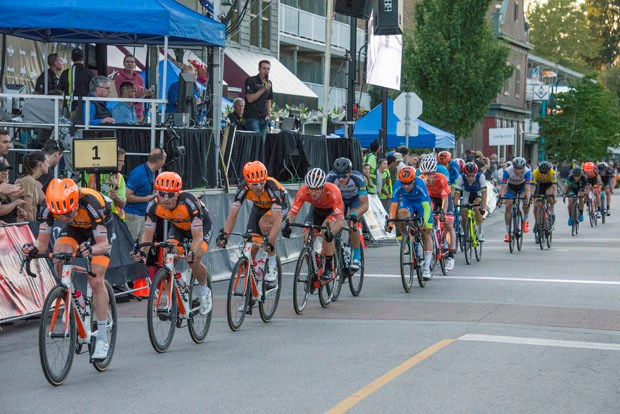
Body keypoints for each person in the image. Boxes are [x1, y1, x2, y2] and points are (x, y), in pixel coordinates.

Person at [22, 178, 113, 360]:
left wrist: (91, 249)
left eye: (68, 213)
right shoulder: (49, 208)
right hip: (75, 230)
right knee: (59, 256)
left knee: (95, 280)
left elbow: (103, 245)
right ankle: (75, 298)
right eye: (60, 215)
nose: (64, 218)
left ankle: (102, 337)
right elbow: (42, 243)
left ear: (75, 201)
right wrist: (33, 248)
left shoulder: (91, 203)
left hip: (98, 233)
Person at [134, 172, 213, 315]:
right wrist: (142, 252)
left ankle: (204, 291)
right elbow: (148, 233)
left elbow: (197, 236)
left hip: (200, 228)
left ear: (177, 194)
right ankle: (177, 282)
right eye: (162, 193)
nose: (165, 198)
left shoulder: (188, 201)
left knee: (193, 259)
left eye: (170, 195)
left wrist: (192, 252)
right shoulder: (153, 204)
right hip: (178, 227)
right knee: (169, 255)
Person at [217, 161, 288, 285]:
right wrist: (225, 236)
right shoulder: (242, 188)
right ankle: (253, 283)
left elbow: (277, 219)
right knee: (249, 244)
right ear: (248, 183)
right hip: (259, 207)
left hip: (278, 207)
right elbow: (233, 215)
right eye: (254, 185)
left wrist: (270, 242)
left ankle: (271, 263)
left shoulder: (272, 186)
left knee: (265, 224)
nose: (259, 187)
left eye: (261, 183)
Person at [282, 168, 345, 281]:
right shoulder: (303, 191)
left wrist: (331, 234)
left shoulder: (333, 191)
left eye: (316, 189)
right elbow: (292, 213)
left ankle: (329, 268)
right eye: (311, 189)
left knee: (327, 232)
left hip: (331, 211)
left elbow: (340, 220)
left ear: (323, 187)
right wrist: (287, 226)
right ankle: (312, 270)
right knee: (307, 236)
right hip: (316, 210)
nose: (313, 192)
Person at [385, 166, 434, 280]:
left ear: (413, 180)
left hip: (421, 204)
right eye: (403, 183)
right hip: (408, 203)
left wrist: (425, 222)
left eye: (408, 183)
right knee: (401, 216)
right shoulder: (397, 184)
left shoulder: (420, 183)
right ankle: (408, 239)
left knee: (426, 232)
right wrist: (391, 224)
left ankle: (427, 268)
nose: (405, 186)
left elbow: (426, 206)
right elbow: (393, 205)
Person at [326, 157, 369, 271]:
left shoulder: (358, 178)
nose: (340, 179)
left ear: (350, 173)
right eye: (338, 176)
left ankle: (356, 256)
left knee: (352, 222)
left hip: (355, 199)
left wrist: (356, 214)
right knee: (334, 223)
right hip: (340, 200)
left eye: (344, 176)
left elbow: (365, 205)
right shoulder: (330, 178)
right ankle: (337, 251)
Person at [419, 155, 456, 271]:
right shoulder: (420, 180)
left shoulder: (441, 178)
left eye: (430, 174)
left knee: (448, 224)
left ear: (435, 173)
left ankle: (451, 255)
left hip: (444, 198)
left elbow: (445, 199)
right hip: (431, 198)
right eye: (424, 174)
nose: (427, 177)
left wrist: (443, 214)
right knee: (428, 211)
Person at [124, 147, 166, 241]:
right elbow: (127, 196)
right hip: (133, 215)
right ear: (159, 161)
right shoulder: (139, 173)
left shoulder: (150, 172)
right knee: (130, 245)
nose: (164, 163)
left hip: (142, 214)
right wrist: (147, 199)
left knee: (143, 245)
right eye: (164, 160)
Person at [84, 147, 127, 220]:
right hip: (91, 216)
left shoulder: (119, 177)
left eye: (123, 161)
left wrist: (115, 197)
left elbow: (122, 204)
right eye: (120, 161)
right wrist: (90, 190)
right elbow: (78, 194)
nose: (123, 163)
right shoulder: (89, 173)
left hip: (112, 218)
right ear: (111, 160)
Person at [499, 156, 532, 242]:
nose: (518, 171)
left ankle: (525, 220)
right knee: (508, 204)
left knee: (525, 201)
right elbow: (503, 186)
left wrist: (527, 199)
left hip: (522, 186)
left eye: (520, 169)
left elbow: (528, 188)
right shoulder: (507, 171)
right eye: (516, 168)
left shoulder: (527, 171)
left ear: (523, 168)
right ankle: (508, 233)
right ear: (513, 167)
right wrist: (501, 197)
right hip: (511, 187)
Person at [114, 54, 153, 123]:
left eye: (132, 62)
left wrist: (148, 94)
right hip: (125, 110)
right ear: (124, 64)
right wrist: (139, 95)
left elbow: (142, 94)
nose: (130, 63)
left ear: (135, 64)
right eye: (127, 61)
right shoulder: (119, 77)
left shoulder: (140, 78)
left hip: (139, 112)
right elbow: (122, 95)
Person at [454, 162, 487, 242]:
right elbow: (457, 194)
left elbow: (484, 194)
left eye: (472, 176)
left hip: (477, 194)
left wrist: (484, 207)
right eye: (468, 176)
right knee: (463, 212)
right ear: (464, 174)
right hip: (466, 194)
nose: (470, 178)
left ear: (476, 174)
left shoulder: (481, 177)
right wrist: (455, 206)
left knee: (476, 208)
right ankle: (465, 232)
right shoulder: (460, 177)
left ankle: (480, 232)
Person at [15, 151, 49, 222]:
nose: (48, 165)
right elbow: (28, 209)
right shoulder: (28, 180)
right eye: (47, 162)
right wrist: (33, 227)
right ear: (41, 164)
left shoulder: (31, 181)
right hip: (23, 225)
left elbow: (43, 201)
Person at [244, 60, 273, 141]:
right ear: (259, 69)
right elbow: (249, 99)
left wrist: (268, 114)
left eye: (268, 69)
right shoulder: (251, 80)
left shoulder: (269, 82)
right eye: (264, 68)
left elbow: (269, 99)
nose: (266, 71)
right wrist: (263, 89)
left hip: (263, 118)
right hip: (252, 117)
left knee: (261, 145)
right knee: (256, 143)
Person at [58, 47, 94, 112]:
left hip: (69, 107)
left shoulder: (65, 73)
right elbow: (94, 90)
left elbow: (59, 90)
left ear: (71, 58)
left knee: (69, 122)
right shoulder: (89, 73)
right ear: (83, 57)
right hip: (85, 106)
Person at [532, 161, 557, 243]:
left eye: (545, 173)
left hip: (549, 185)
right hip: (540, 186)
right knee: (537, 206)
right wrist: (532, 197)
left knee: (549, 194)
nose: (543, 174)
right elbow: (532, 186)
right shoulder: (535, 172)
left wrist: (554, 197)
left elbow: (554, 186)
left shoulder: (552, 173)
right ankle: (538, 224)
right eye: (541, 173)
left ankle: (551, 212)